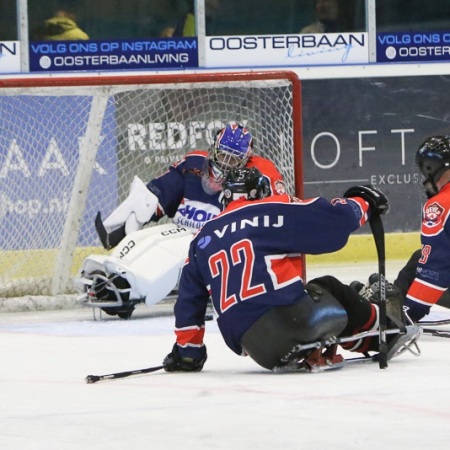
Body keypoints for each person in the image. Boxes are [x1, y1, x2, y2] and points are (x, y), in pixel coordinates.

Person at [162, 168, 412, 373]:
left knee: (304, 293)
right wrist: (365, 203)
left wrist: (188, 354)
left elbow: (188, 303)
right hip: (294, 323)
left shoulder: (200, 239)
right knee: (330, 287)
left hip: (259, 350)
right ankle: (384, 330)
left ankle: (350, 329)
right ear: (260, 193)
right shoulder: (270, 208)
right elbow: (333, 222)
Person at [91, 123, 286, 317]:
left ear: (245, 160)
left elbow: (280, 214)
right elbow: (163, 191)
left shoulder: (263, 173)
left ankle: (127, 289)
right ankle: (117, 273)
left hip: (221, 246)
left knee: (192, 250)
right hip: (180, 232)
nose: (225, 163)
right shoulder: (194, 162)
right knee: (152, 238)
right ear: (213, 149)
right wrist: (136, 215)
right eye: (222, 155)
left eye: (233, 160)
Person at [392, 135, 450, 322]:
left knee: (419, 261)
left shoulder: (439, 204)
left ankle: (392, 306)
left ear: (430, 168)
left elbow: (435, 268)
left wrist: (408, 313)